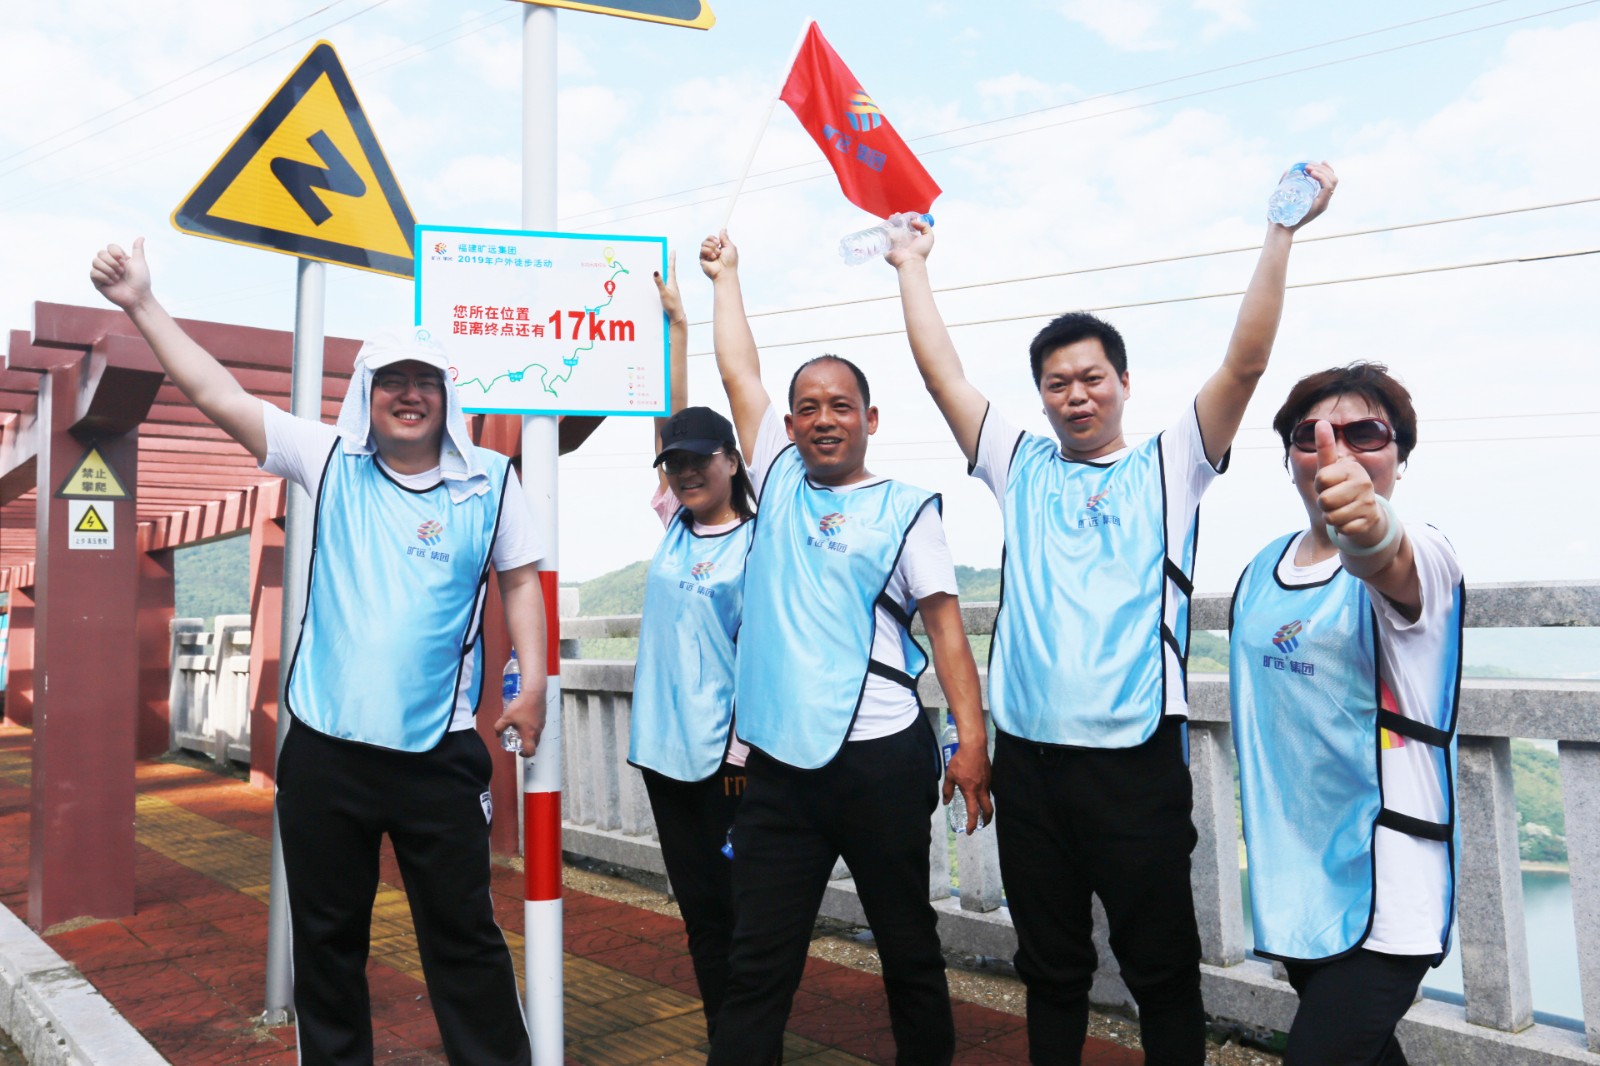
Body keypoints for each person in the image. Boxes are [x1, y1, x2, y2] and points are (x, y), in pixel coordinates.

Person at [889, 163, 1339, 1064]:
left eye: (1091, 378)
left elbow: (1245, 362)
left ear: (1124, 382)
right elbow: (944, 378)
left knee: (1160, 969)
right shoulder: (1020, 467)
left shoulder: (1171, 467)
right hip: (1031, 764)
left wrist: (1281, 231)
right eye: (1057, 383)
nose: (1075, 395)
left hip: (1135, 762)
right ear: (1042, 395)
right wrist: (911, 265)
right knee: (1050, 968)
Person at [90, 238, 544, 1066]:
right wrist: (141, 302)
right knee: (328, 948)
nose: (410, 396)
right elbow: (217, 392)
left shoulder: (492, 483)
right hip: (327, 752)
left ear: (448, 396)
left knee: (464, 940)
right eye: (393, 381)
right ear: (367, 395)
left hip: (437, 754)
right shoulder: (329, 458)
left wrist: (536, 681)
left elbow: (519, 581)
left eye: (426, 382)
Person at [699, 230, 993, 1066]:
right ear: (788, 426)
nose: (823, 419)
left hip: (881, 760)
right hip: (782, 766)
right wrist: (728, 278)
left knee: (907, 947)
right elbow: (738, 372)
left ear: (869, 420)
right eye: (808, 408)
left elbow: (946, 634)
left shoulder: (906, 508)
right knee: (760, 959)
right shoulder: (780, 475)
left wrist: (972, 745)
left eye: (841, 407)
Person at [1229, 364, 1461, 1065]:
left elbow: (1381, 554)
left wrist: (1366, 524)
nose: (1338, 448)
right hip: (1296, 870)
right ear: (1289, 459)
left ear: (1400, 455)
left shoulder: (1427, 552)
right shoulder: (1262, 567)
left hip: (1389, 876)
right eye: (1311, 435)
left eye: (1366, 433)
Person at [626, 254, 757, 1039]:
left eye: (701, 461)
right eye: (675, 464)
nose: (685, 472)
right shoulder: (675, 525)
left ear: (732, 462)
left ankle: (752, 1040)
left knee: (746, 913)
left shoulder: (761, 538)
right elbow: (667, 420)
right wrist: (673, 328)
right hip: (664, 755)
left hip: (732, 765)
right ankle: (728, 1040)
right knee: (702, 915)